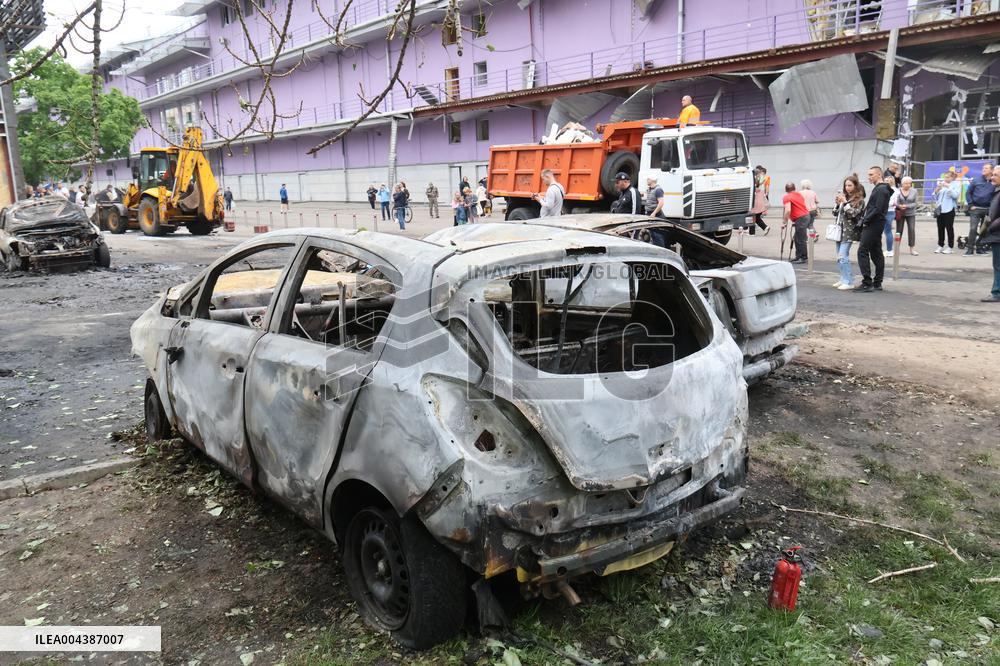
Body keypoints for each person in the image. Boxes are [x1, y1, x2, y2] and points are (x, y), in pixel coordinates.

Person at [854, 165, 890, 292]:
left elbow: (877, 209)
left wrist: (865, 220)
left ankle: (867, 282)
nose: (869, 177)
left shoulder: (881, 189)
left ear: (879, 175)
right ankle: (877, 282)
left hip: (874, 223)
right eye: (868, 175)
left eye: (871, 175)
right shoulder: (881, 189)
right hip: (876, 223)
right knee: (876, 252)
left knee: (862, 251)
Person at [832, 174, 865, 290]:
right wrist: (837, 203)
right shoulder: (844, 197)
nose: (847, 188)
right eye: (846, 185)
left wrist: (845, 203)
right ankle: (843, 278)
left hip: (850, 231)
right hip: (839, 230)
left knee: (843, 255)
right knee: (839, 256)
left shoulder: (860, 200)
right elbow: (835, 213)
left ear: (855, 186)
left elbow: (853, 214)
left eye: (850, 185)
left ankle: (848, 281)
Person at [965, 162, 994, 255]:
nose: (983, 169)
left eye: (986, 168)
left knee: (984, 230)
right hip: (975, 209)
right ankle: (970, 249)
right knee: (973, 229)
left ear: (991, 170)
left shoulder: (994, 182)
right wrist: (970, 204)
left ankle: (979, 248)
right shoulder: (976, 180)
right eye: (983, 168)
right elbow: (968, 193)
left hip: (988, 210)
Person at [980, 168, 1000, 302]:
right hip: (996, 233)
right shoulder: (996, 191)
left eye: (995, 175)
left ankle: (996, 292)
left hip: (997, 234)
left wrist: (989, 227)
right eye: (992, 174)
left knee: (998, 265)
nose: (992, 177)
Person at [782, 182, 810, 264]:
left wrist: (784, 222)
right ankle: (799, 256)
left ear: (786, 189)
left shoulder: (787, 197)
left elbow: (788, 210)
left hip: (801, 218)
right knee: (797, 238)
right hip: (805, 216)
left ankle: (803, 257)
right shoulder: (799, 195)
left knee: (800, 238)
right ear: (794, 188)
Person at [933, 170, 960, 254]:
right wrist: (937, 190)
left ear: (952, 177)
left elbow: (955, 196)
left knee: (949, 228)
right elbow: (935, 196)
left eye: (948, 177)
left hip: (949, 209)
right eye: (945, 177)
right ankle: (940, 245)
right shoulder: (941, 184)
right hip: (940, 209)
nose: (945, 179)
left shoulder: (956, 184)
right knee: (940, 228)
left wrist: (948, 187)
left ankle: (950, 247)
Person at [895, 176, 919, 256]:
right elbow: (896, 202)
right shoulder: (898, 191)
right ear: (902, 184)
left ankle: (912, 249)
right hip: (900, 213)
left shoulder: (914, 191)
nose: (908, 185)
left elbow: (915, 203)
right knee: (899, 230)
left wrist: (906, 206)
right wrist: (899, 206)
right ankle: (897, 248)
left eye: (909, 183)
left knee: (911, 230)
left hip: (911, 213)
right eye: (906, 183)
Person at [751, 166, 770, 234]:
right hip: (761, 202)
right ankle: (765, 227)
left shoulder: (754, 184)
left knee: (752, 217)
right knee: (757, 218)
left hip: (755, 203)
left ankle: (752, 232)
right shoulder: (762, 180)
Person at [882, 175, 897, 258]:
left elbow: (892, 202)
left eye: (887, 181)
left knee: (887, 232)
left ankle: (889, 250)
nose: (886, 182)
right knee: (887, 231)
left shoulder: (892, 190)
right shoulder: (895, 190)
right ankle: (889, 250)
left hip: (888, 211)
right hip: (890, 211)